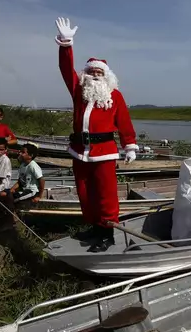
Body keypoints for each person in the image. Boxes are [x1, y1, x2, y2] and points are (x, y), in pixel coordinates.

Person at [54, 17, 138, 252]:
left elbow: (124, 122)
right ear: (85, 74)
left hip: (105, 152)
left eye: (99, 72)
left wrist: (129, 145)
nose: (95, 75)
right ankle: (94, 226)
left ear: (107, 75)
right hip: (80, 152)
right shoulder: (79, 91)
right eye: (91, 71)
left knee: (106, 194)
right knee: (85, 192)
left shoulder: (115, 96)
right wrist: (66, 44)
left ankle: (107, 233)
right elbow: (64, 68)